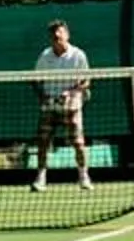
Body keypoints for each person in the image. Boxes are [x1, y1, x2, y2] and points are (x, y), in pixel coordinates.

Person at [31, 18, 94, 190]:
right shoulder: (45, 56)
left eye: (60, 32)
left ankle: (83, 177)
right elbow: (35, 80)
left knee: (78, 143)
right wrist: (43, 96)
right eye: (53, 34)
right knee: (43, 142)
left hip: (72, 107)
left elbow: (86, 81)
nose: (56, 36)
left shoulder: (78, 55)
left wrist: (71, 93)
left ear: (67, 34)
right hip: (49, 106)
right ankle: (41, 178)